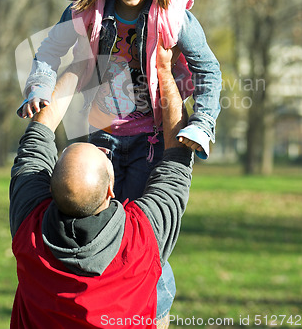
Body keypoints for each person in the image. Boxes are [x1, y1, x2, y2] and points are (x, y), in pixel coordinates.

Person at [17, 0, 222, 202]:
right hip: (102, 135)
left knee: (138, 221)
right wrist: (40, 87)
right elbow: (50, 50)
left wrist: (202, 123)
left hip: (153, 139)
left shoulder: (174, 16)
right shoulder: (86, 9)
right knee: (100, 221)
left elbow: (208, 70)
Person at [10, 39, 194, 329]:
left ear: (49, 188)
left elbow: (35, 144)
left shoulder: (29, 227)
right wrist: (164, 72)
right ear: (112, 189)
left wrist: (80, 64)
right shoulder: (141, 239)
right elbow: (175, 161)